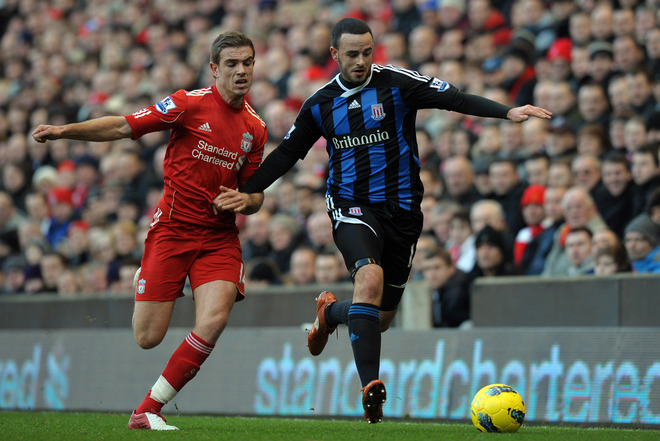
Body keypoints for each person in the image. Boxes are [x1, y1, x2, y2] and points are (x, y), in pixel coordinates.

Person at [215, 18, 551, 424]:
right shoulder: (320, 104)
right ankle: (370, 388)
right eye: (352, 54)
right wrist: (248, 189)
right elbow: (287, 155)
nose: (361, 61)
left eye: (367, 52)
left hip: (404, 212)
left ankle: (330, 314)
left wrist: (507, 111)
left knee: (381, 318)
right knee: (368, 280)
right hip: (351, 205)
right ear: (335, 55)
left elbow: (455, 99)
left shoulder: (398, 84)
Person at [32, 31, 266, 430]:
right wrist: (64, 131)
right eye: (232, 64)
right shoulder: (187, 104)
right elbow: (124, 127)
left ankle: (147, 410)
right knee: (147, 337)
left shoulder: (255, 128)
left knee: (214, 320)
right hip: (173, 231)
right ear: (214, 69)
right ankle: (147, 278)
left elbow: (255, 192)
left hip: (219, 238)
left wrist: (247, 202)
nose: (241, 70)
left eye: (247, 62)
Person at [421, 247, 471, 328]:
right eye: (427, 269)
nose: (432, 275)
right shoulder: (437, 291)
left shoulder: (458, 290)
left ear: (451, 268)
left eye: (437, 267)